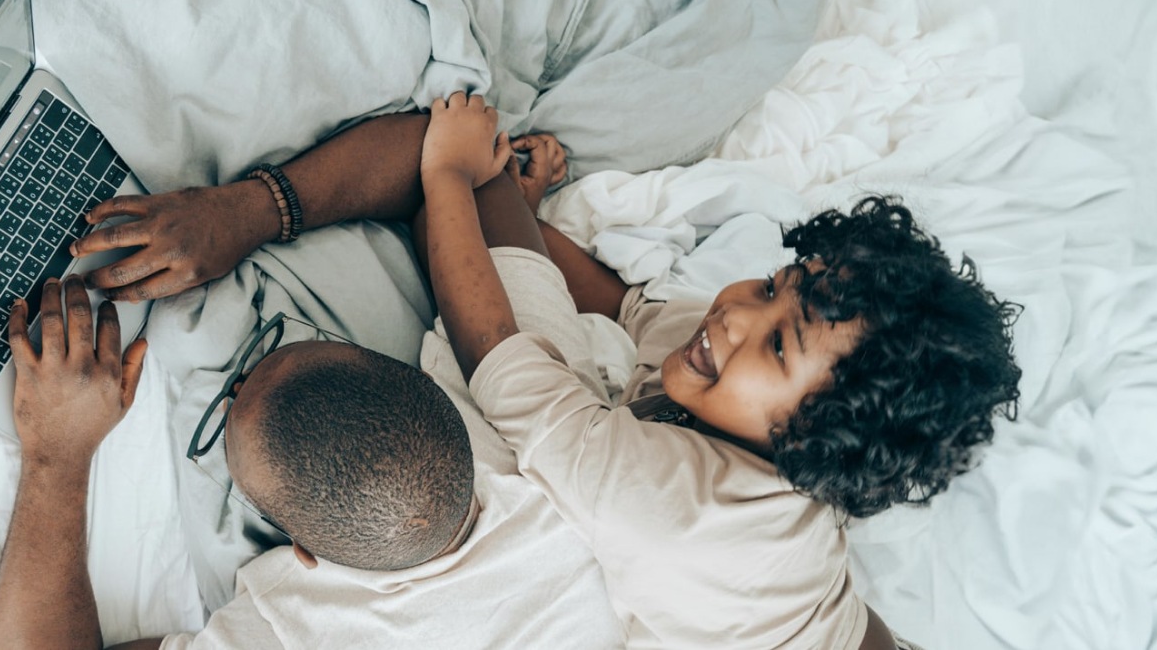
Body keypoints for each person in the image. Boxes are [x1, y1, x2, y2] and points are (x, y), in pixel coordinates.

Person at [413, 93, 1024, 649]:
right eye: (769, 286)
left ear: (823, 439)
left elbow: (504, 366)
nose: (736, 313)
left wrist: (447, 174)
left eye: (780, 346)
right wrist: (526, 217)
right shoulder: (724, 359)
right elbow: (625, 305)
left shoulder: (688, 509)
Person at [0, 274, 626, 649]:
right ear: (443, 392)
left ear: (305, 557)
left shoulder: (295, 630)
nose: (232, 387)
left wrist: (58, 455)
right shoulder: (565, 453)